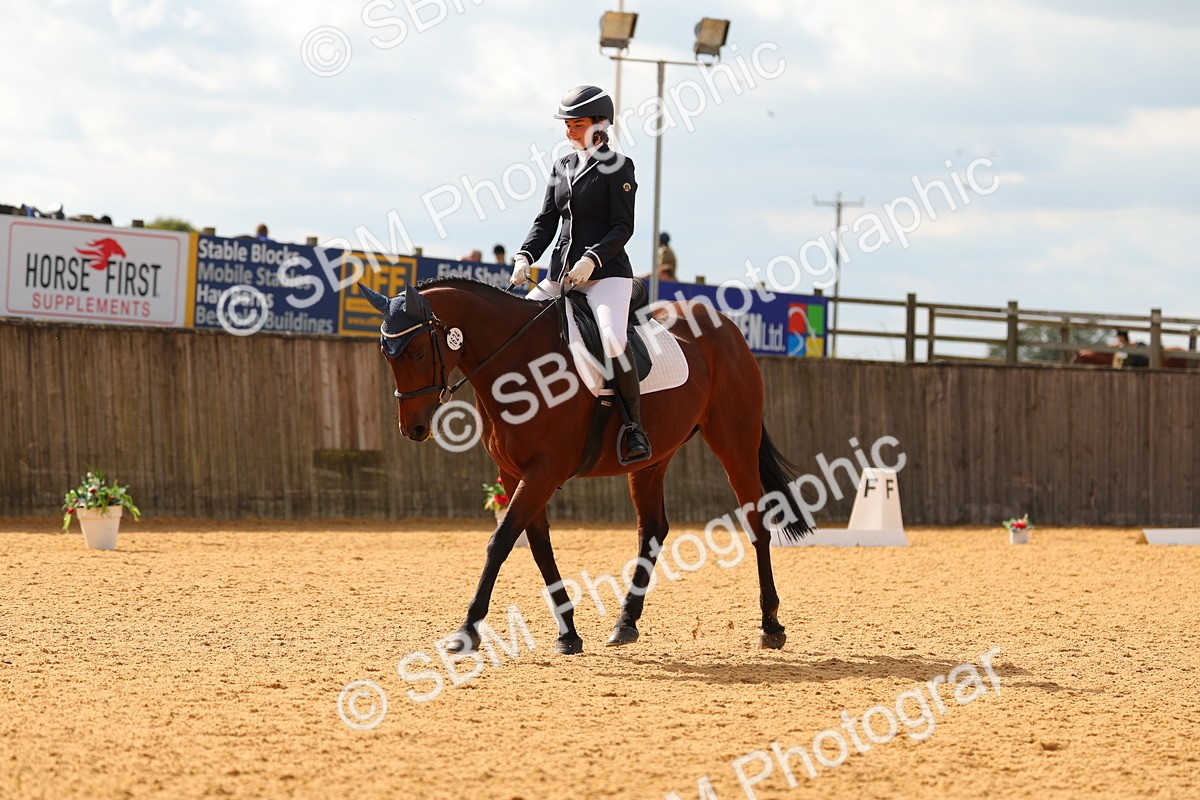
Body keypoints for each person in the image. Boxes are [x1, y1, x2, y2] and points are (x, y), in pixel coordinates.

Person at [510, 84, 650, 464]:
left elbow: (623, 227)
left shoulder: (620, 167)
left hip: (606, 275)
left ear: (599, 125)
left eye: (577, 123)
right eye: (567, 124)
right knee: (518, 327)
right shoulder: (562, 166)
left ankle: (634, 427)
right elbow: (546, 221)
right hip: (561, 274)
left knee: (612, 338)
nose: (569, 131)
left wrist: (591, 259)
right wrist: (525, 256)